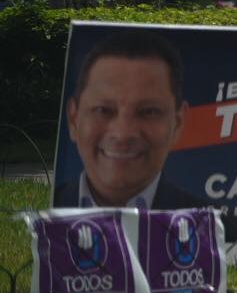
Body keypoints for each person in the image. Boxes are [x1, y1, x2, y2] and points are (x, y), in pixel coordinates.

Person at [54, 29, 199, 211]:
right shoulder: (43, 225)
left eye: (148, 112)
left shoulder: (219, 232)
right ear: (73, 119)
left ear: (177, 123)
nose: (123, 134)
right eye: (103, 110)